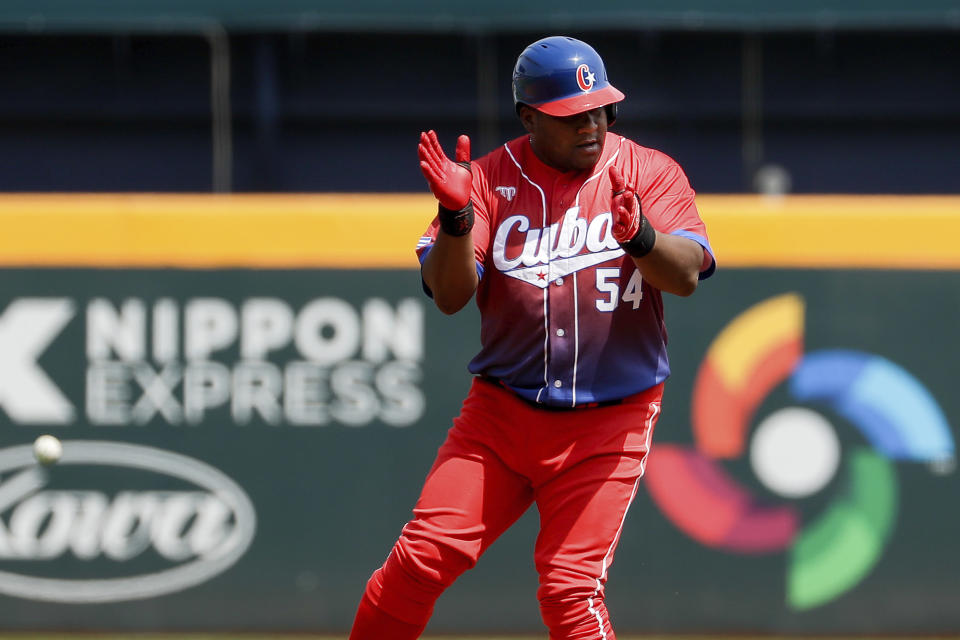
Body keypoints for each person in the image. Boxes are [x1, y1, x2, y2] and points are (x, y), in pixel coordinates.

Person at [349, 35, 716, 640]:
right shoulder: (490, 179)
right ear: (528, 117)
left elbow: (684, 278)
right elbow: (448, 294)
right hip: (502, 416)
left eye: (598, 108)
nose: (590, 124)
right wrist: (458, 219)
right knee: (418, 562)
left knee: (570, 589)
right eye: (571, 115)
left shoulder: (648, 171)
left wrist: (643, 239)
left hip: (611, 420)